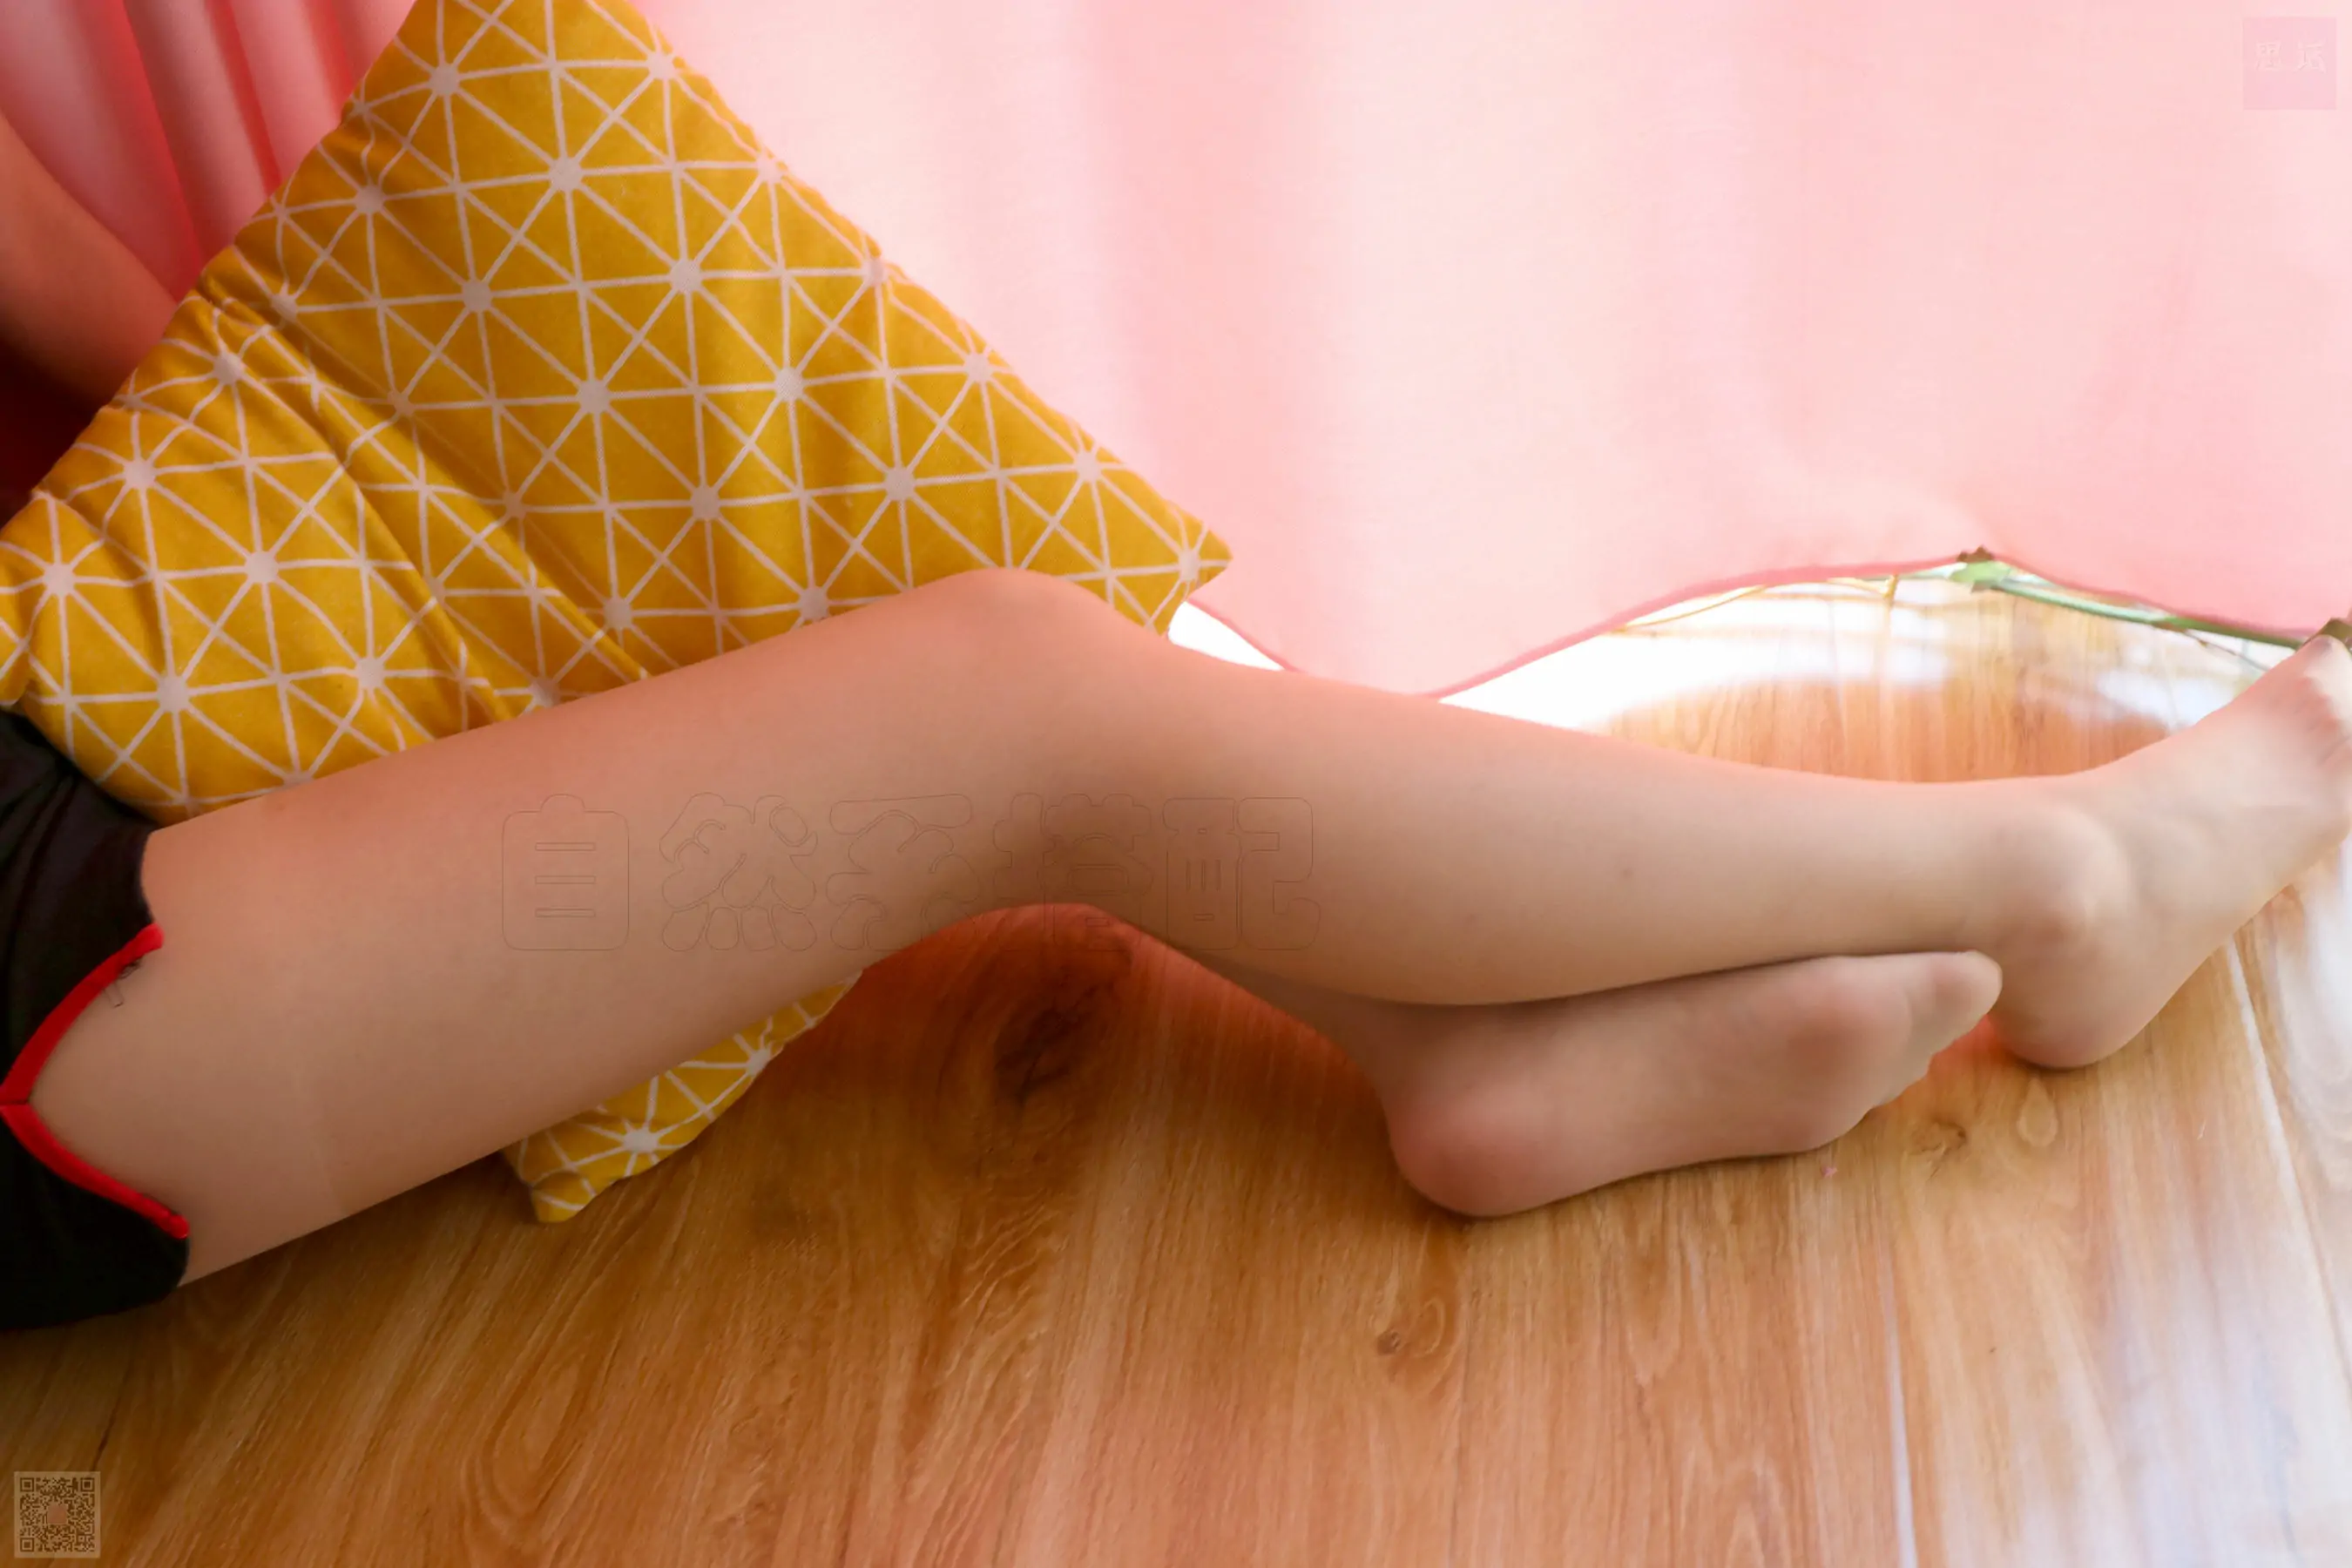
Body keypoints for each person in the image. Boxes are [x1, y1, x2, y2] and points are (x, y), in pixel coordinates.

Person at [7, 105, 2352, 1333]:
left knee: (802, 479)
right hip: (56, 1008)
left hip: (80, 746)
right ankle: (2065, 879)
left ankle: (1460, 1051)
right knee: (1009, 709)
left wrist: (293, 451)